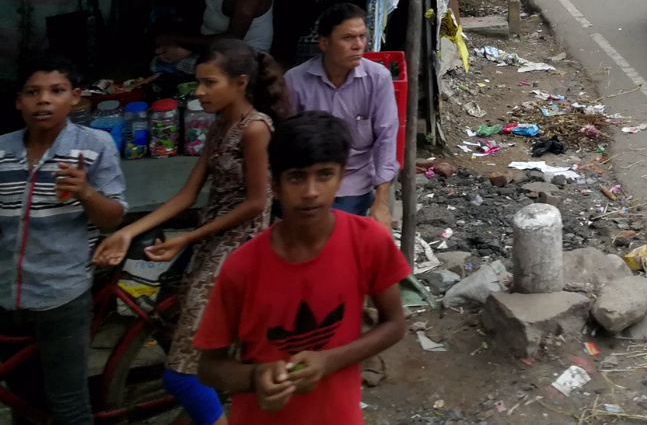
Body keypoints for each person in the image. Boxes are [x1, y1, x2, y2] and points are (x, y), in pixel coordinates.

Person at [94, 40, 291, 425]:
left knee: (180, 377)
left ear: (240, 83)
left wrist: (186, 239)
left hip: (239, 249)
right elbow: (187, 195)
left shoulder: (255, 129)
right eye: (198, 82)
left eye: (208, 83)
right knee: (192, 344)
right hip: (210, 242)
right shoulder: (219, 125)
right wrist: (128, 231)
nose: (199, 92)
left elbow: (256, 203)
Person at [194, 112, 409, 425]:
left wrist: (329, 361)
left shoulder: (369, 242)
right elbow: (209, 368)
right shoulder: (241, 267)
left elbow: (394, 324)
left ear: (341, 177)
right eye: (296, 177)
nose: (311, 191)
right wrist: (256, 376)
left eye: (324, 175)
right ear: (276, 185)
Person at [0, 55, 126, 425]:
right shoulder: (2, 149)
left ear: (75, 97)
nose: (43, 100)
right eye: (32, 92)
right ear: (19, 101)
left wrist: (85, 192)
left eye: (56, 91)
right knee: (24, 401)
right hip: (7, 296)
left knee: (68, 405)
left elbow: (112, 218)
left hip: (62, 295)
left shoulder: (95, 144)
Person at [283, 5, 400, 222]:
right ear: (324, 43)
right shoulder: (295, 81)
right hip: (309, 182)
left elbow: (386, 139)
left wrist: (381, 201)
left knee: (339, 227)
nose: (358, 45)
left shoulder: (377, 78)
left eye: (362, 37)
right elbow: (288, 144)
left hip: (356, 180)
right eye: (348, 38)